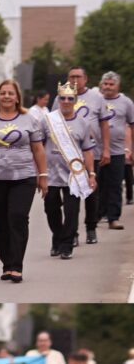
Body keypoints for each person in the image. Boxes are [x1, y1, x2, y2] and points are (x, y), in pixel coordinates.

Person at [0, 79, 47, 283]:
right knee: (1, 222)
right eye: (2, 93)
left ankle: (16, 266)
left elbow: (38, 149)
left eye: (10, 93)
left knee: (18, 217)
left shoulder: (29, 120)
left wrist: (43, 176)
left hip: (24, 177)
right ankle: (6, 263)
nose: (6, 96)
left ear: (17, 97)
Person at [51, 66, 110, 245]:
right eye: (71, 77)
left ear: (86, 79)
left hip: (92, 152)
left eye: (78, 76)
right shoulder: (59, 97)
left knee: (90, 193)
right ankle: (71, 233)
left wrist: (106, 148)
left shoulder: (97, 98)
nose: (75, 80)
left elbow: (104, 124)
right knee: (71, 198)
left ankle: (91, 227)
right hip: (67, 156)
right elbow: (53, 122)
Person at [41, 82, 96, 260]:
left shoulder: (83, 123)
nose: (65, 101)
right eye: (62, 98)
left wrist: (92, 174)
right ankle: (57, 236)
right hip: (50, 173)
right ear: (58, 99)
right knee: (51, 208)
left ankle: (66, 245)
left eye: (69, 98)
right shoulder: (48, 120)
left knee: (72, 211)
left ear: (75, 101)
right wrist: (38, 172)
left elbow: (87, 150)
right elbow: (38, 147)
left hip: (74, 175)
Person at [96, 71, 133, 230]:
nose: (108, 87)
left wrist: (131, 148)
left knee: (115, 184)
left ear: (117, 86)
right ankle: (96, 215)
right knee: (97, 185)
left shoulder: (126, 102)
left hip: (117, 151)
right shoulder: (95, 100)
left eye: (111, 84)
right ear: (101, 84)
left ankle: (114, 218)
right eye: (105, 84)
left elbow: (132, 125)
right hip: (95, 150)